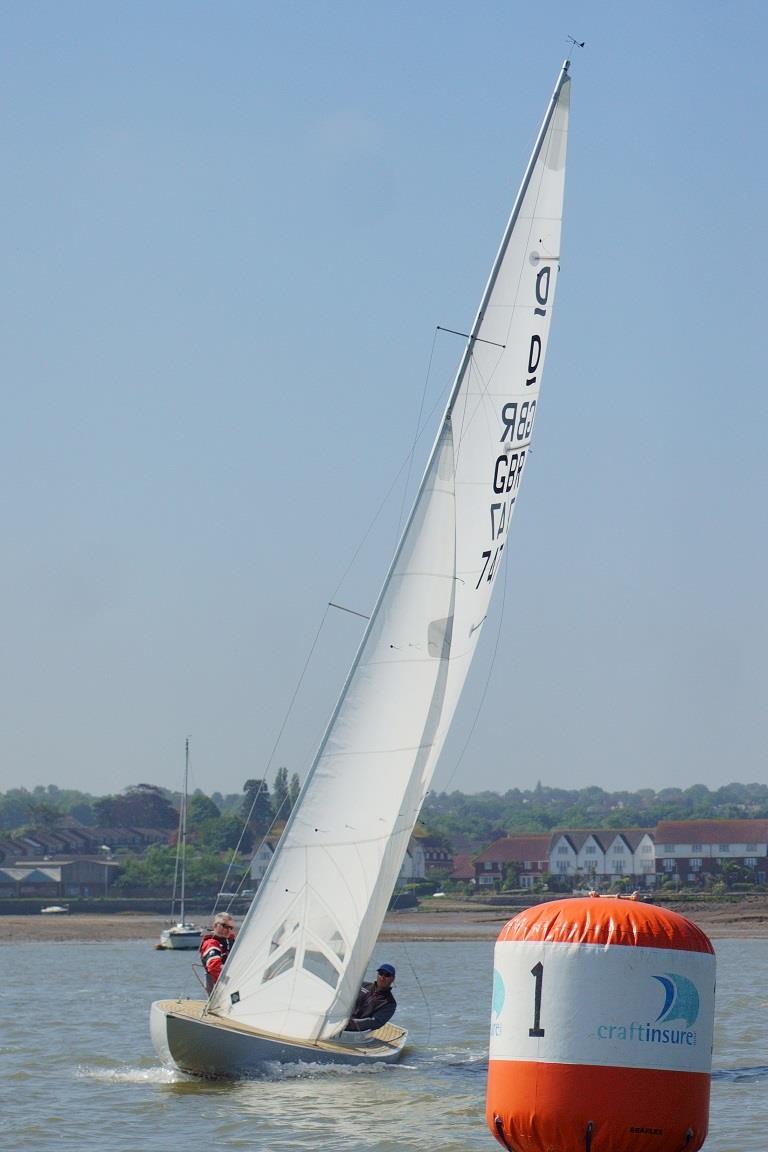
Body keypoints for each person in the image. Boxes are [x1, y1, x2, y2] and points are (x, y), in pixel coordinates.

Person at [345, 963, 397, 1032]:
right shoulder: (362, 985)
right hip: (339, 1021)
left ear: (393, 979)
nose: (383, 977)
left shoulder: (390, 1003)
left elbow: (375, 1022)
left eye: (387, 975)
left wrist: (351, 1023)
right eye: (381, 973)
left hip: (357, 1031)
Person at [200, 912, 236, 993]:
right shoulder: (211, 943)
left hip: (232, 984)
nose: (228, 930)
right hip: (220, 988)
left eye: (230, 927)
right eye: (225, 926)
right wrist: (228, 984)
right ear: (215, 925)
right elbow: (214, 967)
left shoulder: (230, 941)